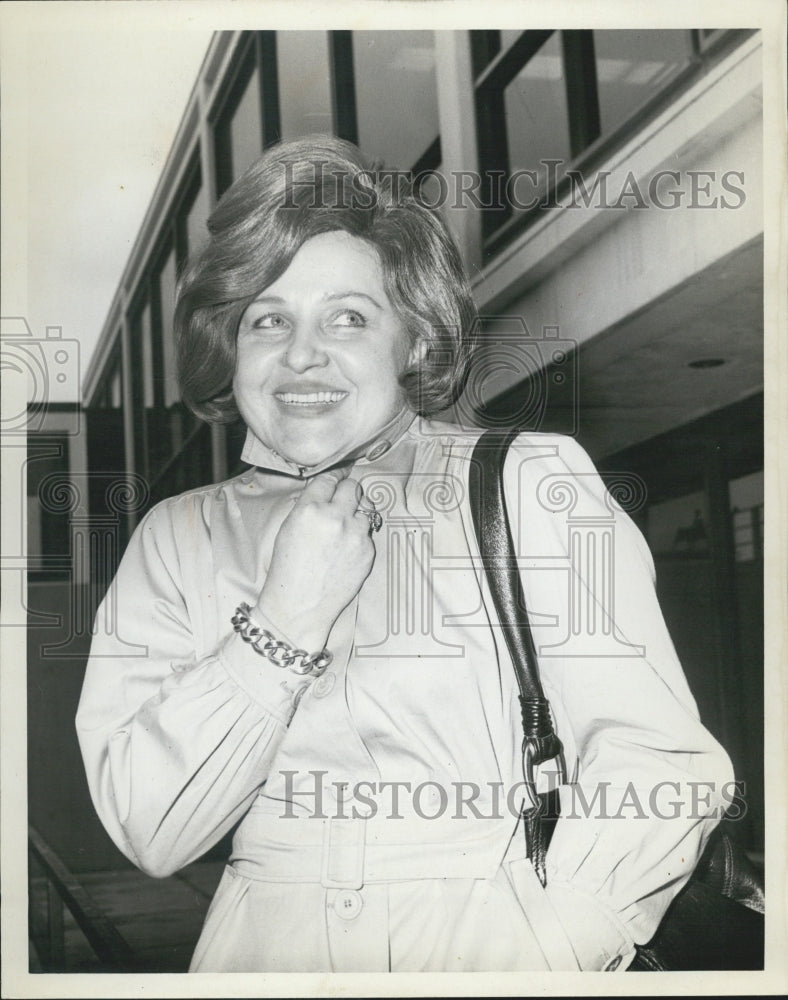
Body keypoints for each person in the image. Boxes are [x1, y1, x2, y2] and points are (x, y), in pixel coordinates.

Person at [76, 135, 734, 973]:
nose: (301, 352)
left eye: (347, 316)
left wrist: (549, 943)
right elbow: (151, 827)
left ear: (414, 343)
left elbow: (661, 766)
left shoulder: (528, 484)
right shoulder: (173, 539)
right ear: (231, 348)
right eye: (267, 319)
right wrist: (284, 619)